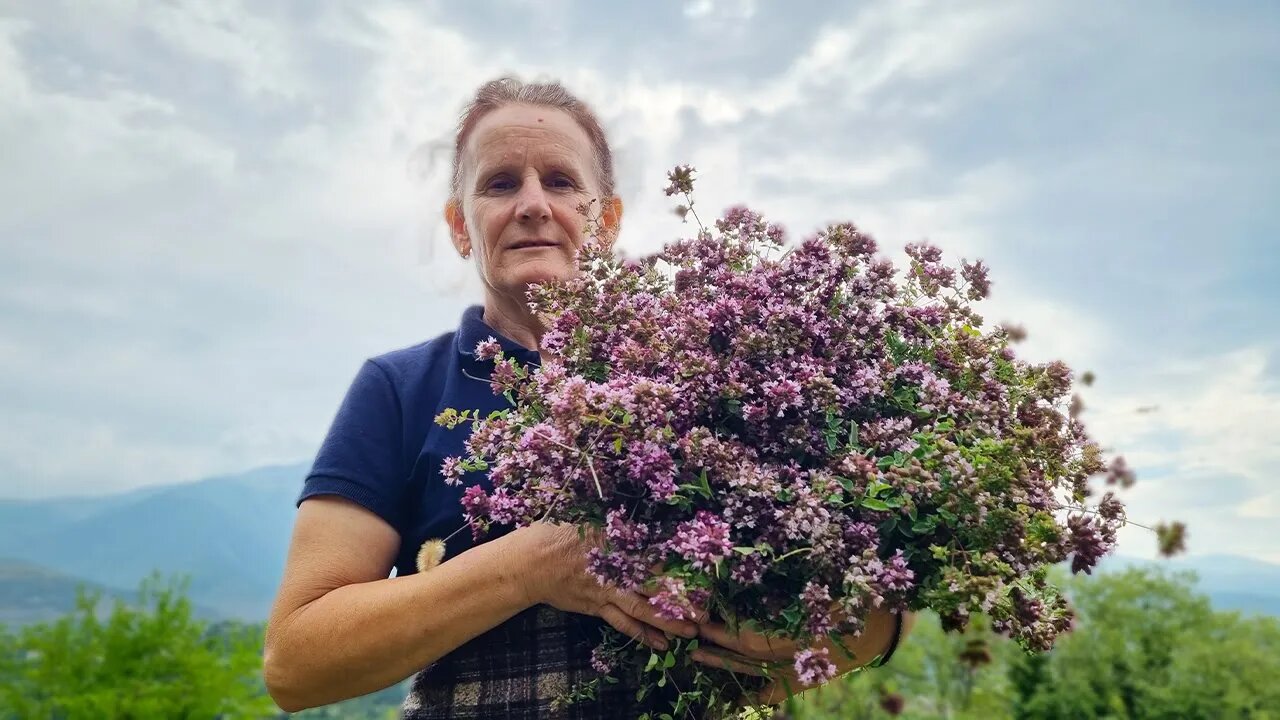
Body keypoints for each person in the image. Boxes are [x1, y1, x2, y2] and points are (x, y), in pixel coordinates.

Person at [263, 76, 907, 719]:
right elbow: (296, 666)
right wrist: (529, 565)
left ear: (606, 220)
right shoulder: (402, 389)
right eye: (500, 183)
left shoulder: (714, 360)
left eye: (563, 182)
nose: (534, 204)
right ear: (461, 225)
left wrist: (836, 638)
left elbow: (878, 608)